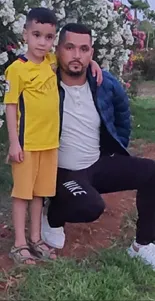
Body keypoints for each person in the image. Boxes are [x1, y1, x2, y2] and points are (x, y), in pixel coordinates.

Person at [42, 22, 155, 270]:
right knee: (91, 207)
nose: (77, 55)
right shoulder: (43, 81)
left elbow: (122, 115)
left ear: (92, 53)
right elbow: (22, 63)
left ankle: (142, 245)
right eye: (69, 47)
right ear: (57, 49)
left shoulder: (103, 82)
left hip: (97, 163)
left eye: (84, 49)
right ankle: (52, 215)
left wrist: (117, 152)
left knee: (152, 172)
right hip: (63, 172)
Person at [4, 8, 102, 265]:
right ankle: (19, 244)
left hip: (50, 145)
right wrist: (14, 143)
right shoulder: (17, 69)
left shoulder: (50, 62)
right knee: (22, 194)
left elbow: (76, 61)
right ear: (25, 34)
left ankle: (36, 239)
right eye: (36, 35)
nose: (42, 42)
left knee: (39, 194)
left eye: (48, 37)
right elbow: (11, 106)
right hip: (27, 145)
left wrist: (92, 62)